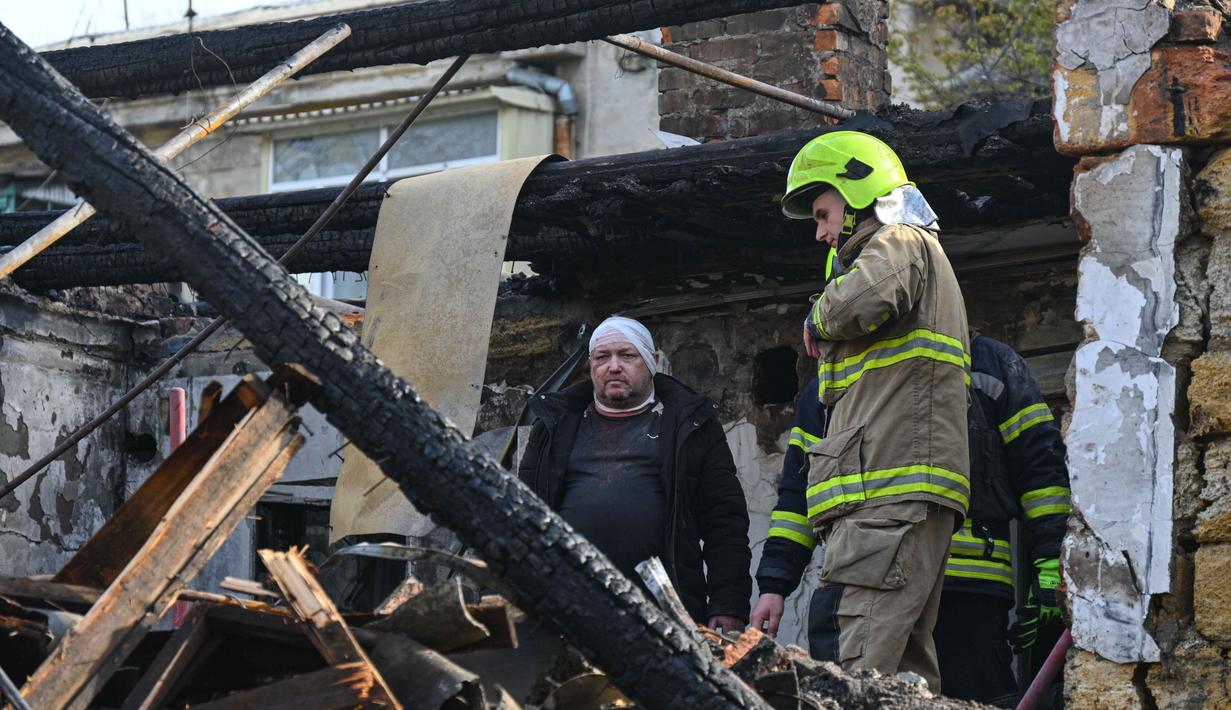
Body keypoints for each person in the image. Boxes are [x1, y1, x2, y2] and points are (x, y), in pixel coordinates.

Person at [754, 131, 971, 691]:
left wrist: (816, 318)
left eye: (824, 214)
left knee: (861, 678)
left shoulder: (900, 240)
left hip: (888, 502)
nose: (823, 233)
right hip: (890, 503)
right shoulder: (911, 247)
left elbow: (864, 296)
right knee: (905, 683)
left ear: (859, 191)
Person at [753, 329, 1071, 704]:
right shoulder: (832, 376)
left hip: (968, 590)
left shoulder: (988, 363)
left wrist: (1051, 563)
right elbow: (800, 493)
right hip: (868, 584)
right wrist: (775, 582)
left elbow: (1040, 470)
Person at [517, 315, 752, 630]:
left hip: (665, 612)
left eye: (627, 355)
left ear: (653, 361)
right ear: (590, 365)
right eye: (602, 357)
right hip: (566, 607)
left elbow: (723, 520)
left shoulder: (690, 425)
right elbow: (520, 515)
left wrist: (728, 603)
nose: (613, 366)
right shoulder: (552, 425)